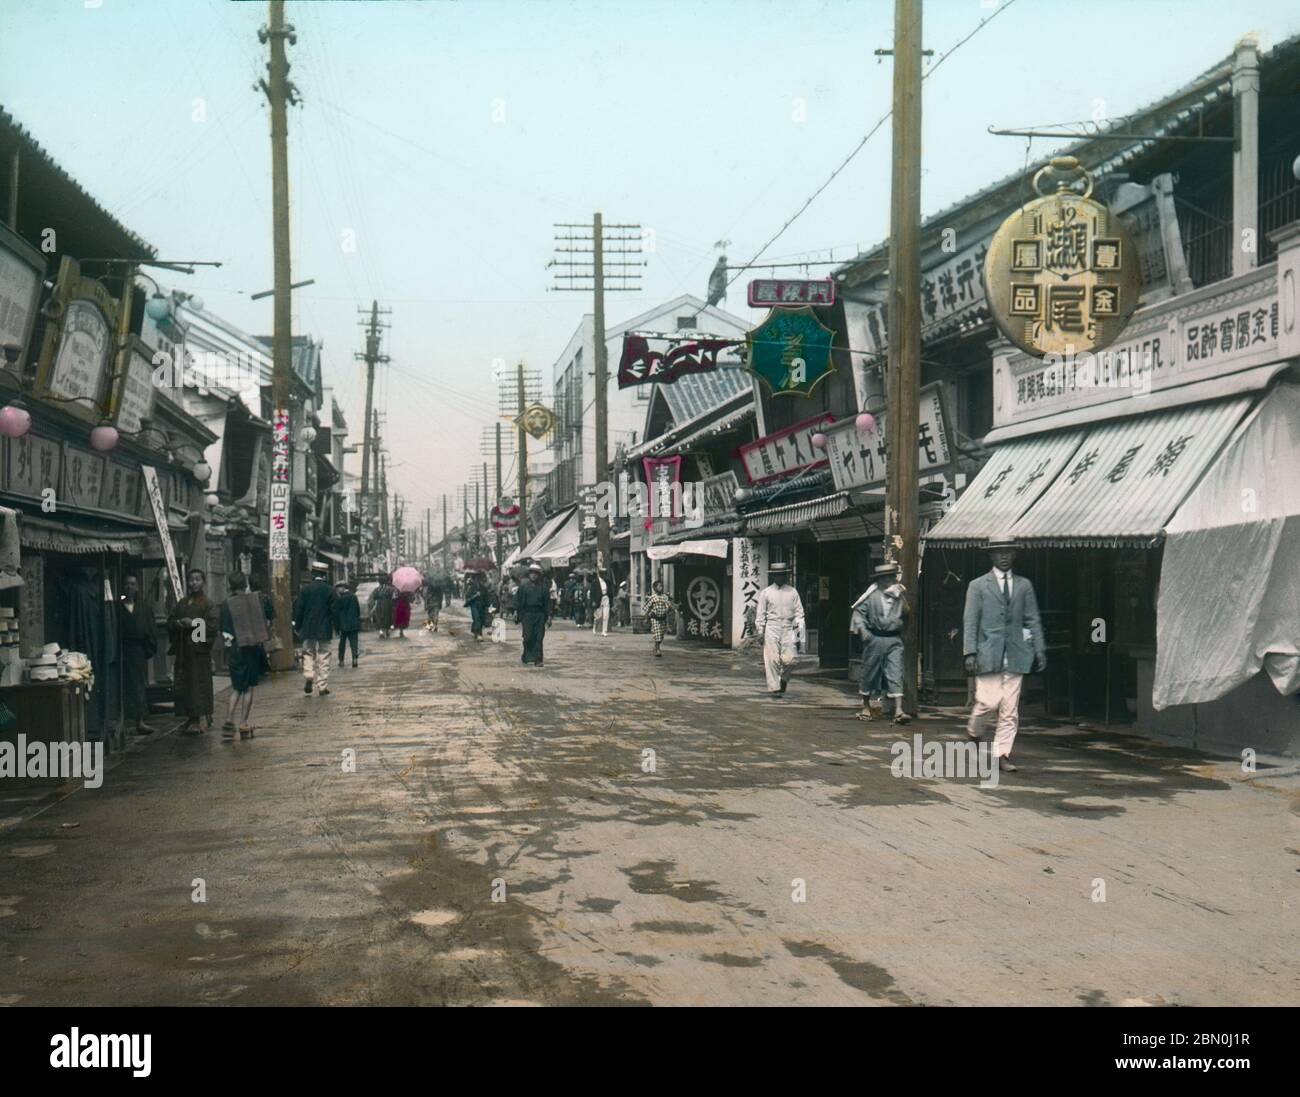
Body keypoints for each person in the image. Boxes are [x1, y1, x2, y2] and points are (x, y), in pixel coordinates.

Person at [963, 535, 1047, 774]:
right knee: (987, 703)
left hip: (1017, 654)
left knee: (1010, 709)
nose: (1003, 556)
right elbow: (970, 621)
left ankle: (1002, 754)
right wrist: (969, 652)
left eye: (1008, 552)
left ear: (1014, 555)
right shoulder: (978, 586)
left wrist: (1039, 649)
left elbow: (1032, 619)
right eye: (999, 552)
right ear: (991, 555)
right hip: (987, 653)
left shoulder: (1024, 585)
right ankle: (974, 733)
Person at [851, 563, 911, 724]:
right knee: (869, 672)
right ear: (880, 579)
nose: (890, 580)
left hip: (893, 639)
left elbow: (906, 612)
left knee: (895, 672)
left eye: (892, 576)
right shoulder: (871, 596)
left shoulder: (899, 595)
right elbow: (858, 613)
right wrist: (864, 631)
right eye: (887, 577)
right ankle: (865, 706)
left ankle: (899, 710)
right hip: (875, 639)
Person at [168, 568, 220, 734]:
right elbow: (171, 620)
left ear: (203, 582)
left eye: (197, 579)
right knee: (184, 683)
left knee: (198, 683)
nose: (194, 582)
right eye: (191, 580)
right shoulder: (183, 602)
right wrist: (177, 624)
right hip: (184, 649)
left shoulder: (207, 603)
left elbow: (212, 627)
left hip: (198, 650)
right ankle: (189, 716)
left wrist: (194, 624)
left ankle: (198, 717)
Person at [220, 572, 269, 740]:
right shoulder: (254, 600)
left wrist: (229, 650)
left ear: (230, 585)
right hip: (252, 648)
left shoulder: (226, 604)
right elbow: (263, 622)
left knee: (236, 687)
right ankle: (243, 723)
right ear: (245, 583)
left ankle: (228, 719)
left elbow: (225, 631)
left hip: (236, 649)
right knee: (248, 688)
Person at [754, 562, 805, 697]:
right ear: (773, 576)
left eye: (782, 575)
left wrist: (800, 634)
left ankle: (783, 679)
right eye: (777, 575)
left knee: (791, 659)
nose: (780, 577)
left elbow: (799, 613)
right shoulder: (766, 593)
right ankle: (775, 688)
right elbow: (761, 614)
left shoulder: (792, 592)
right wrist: (760, 632)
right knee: (772, 659)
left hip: (788, 627)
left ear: (786, 575)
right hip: (772, 627)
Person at [118, 575, 159, 735]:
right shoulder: (118, 607)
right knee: (122, 684)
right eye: (126, 584)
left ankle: (140, 720)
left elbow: (151, 629)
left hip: (138, 651)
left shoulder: (144, 608)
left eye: (133, 584)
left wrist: (147, 649)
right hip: (122, 649)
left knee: (138, 685)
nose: (129, 587)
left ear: (137, 588)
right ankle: (123, 720)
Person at [293, 562, 336, 697]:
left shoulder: (305, 590)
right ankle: (322, 686)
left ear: (313, 574)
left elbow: (299, 609)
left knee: (308, 653)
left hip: (308, 627)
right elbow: (335, 610)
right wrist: (337, 626)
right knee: (324, 655)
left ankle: (309, 676)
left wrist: (297, 625)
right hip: (324, 628)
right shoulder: (330, 590)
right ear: (325, 575)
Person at [517, 563, 552, 666]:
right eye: (532, 573)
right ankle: (526, 655)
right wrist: (516, 612)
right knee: (528, 637)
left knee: (539, 637)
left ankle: (538, 659)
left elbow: (547, 603)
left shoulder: (544, 588)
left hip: (539, 615)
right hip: (527, 614)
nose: (534, 575)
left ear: (539, 575)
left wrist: (549, 616)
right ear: (529, 574)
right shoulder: (523, 587)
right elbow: (518, 601)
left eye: (536, 574)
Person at [334, 582, 361, 667]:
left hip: (343, 625)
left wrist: (337, 627)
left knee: (342, 644)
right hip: (353, 624)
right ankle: (355, 659)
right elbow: (357, 610)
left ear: (343, 587)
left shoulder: (340, 599)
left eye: (339, 588)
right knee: (354, 643)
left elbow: (337, 613)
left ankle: (341, 661)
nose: (338, 590)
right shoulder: (354, 596)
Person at [645, 579, 674, 658]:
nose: (661, 588)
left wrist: (670, 608)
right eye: (659, 586)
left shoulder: (665, 597)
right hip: (655, 618)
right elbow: (647, 607)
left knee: (661, 635)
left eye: (662, 586)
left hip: (663, 618)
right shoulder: (653, 597)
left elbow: (669, 606)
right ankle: (658, 650)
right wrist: (646, 618)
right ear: (655, 588)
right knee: (657, 634)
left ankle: (656, 646)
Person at [465, 573, 487, 641]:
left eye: (479, 579)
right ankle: (479, 634)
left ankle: (475, 631)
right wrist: (475, 595)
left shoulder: (483, 587)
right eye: (476, 579)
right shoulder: (471, 588)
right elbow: (467, 597)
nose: (477, 580)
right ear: (474, 579)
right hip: (474, 606)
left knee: (481, 619)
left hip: (482, 606)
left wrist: (488, 606)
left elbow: (487, 597)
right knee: (476, 619)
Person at [591, 572, 610, 637]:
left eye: (605, 574)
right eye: (602, 574)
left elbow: (610, 591)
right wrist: (593, 601)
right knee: (598, 616)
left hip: (606, 598)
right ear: (600, 575)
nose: (604, 575)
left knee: (606, 615)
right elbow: (592, 592)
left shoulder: (607, 581)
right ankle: (595, 628)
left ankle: (604, 631)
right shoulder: (595, 582)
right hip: (598, 599)